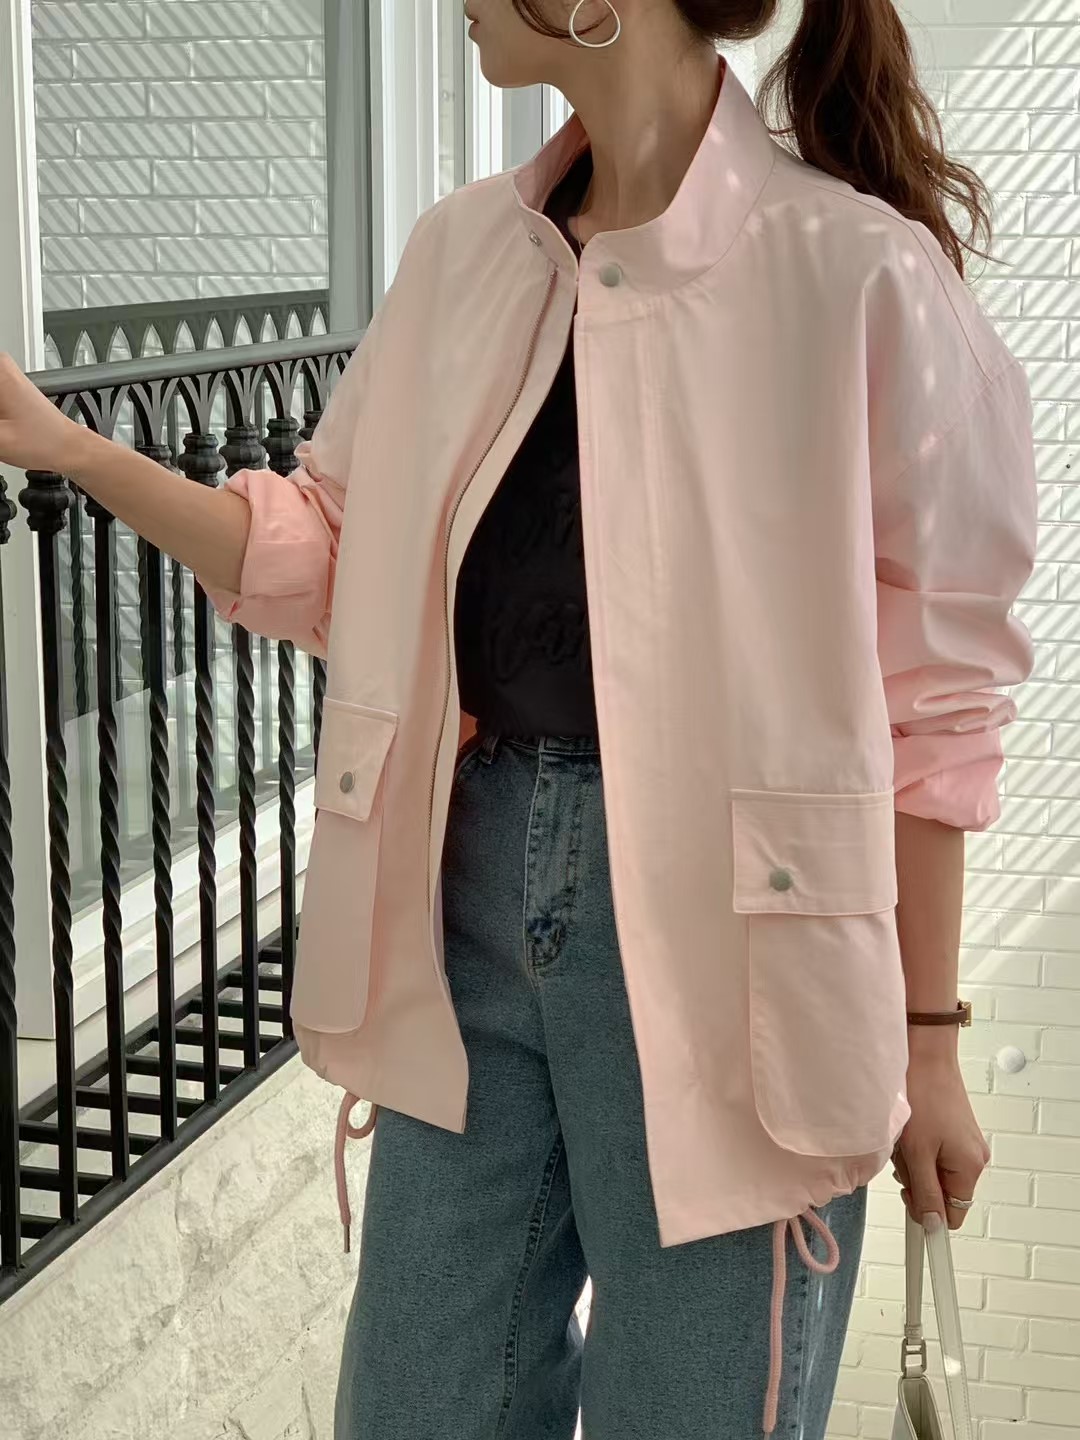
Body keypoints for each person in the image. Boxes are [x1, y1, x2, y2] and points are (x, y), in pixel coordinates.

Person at [0, 1, 1037, 1435]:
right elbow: (333, 552)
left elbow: (936, 705)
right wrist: (63, 447)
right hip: (467, 897)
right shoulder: (464, 254)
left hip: (738, 950)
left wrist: (928, 1045)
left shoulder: (855, 272)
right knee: (416, 1404)